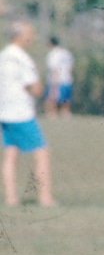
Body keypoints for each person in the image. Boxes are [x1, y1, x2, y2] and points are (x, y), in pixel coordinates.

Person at [0, 21, 56, 207]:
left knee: (11, 154)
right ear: (21, 36)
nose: (33, 37)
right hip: (21, 113)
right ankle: (45, 198)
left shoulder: (4, 56)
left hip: (5, 112)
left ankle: (11, 198)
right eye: (31, 33)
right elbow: (35, 89)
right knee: (42, 153)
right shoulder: (22, 59)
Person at [44, 36, 75, 118]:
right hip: (67, 79)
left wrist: (55, 81)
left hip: (57, 79)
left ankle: (52, 114)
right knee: (66, 100)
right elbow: (71, 67)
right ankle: (66, 114)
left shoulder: (53, 54)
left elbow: (54, 68)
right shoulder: (66, 53)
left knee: (51, 99)